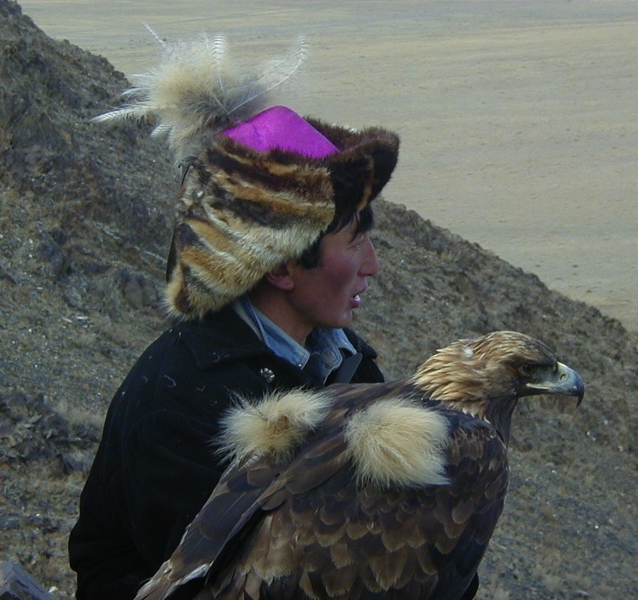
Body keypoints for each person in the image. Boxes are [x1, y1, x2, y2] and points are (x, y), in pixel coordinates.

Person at [67, 35, 400, 599]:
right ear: (280, 266)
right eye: (356, 241)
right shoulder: (177, 402)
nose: (372, 266)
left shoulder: (342, 361)